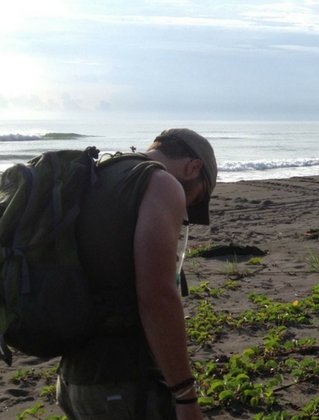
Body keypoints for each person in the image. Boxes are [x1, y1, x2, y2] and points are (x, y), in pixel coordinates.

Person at [56, 128, 217, 420]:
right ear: (194, 167)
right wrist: (185, 395)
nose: (191, 206)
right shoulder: (161, 185)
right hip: (123, 384)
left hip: (75, 379)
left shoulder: (101, 173)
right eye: (199, 197)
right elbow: (157, 297)